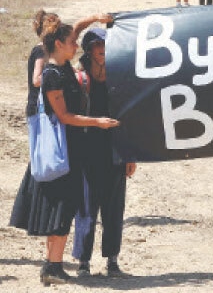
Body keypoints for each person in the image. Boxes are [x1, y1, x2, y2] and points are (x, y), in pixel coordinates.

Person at [10, 22, 119, 286]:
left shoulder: (65, 68)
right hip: (62, 151)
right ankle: (53, 266)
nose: (76, 45)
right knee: (61, 208)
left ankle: (52, 264)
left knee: (64, 207)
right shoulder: (52, 75)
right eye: (71, 41)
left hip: (72, 149)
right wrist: (97, 122)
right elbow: (64, 116)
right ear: (58, 44)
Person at [72, 28, 137, 278]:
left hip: (115, 152)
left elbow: (128, 117)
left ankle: (112, 260)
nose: (103, 50)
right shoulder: (80, 79)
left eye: (106, 45)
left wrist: (130, 154)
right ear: (89, 49)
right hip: (88, 152)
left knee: (114, 208)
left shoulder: (119, 77)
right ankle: (83, 262)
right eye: (98, 45)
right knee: (87, 208)